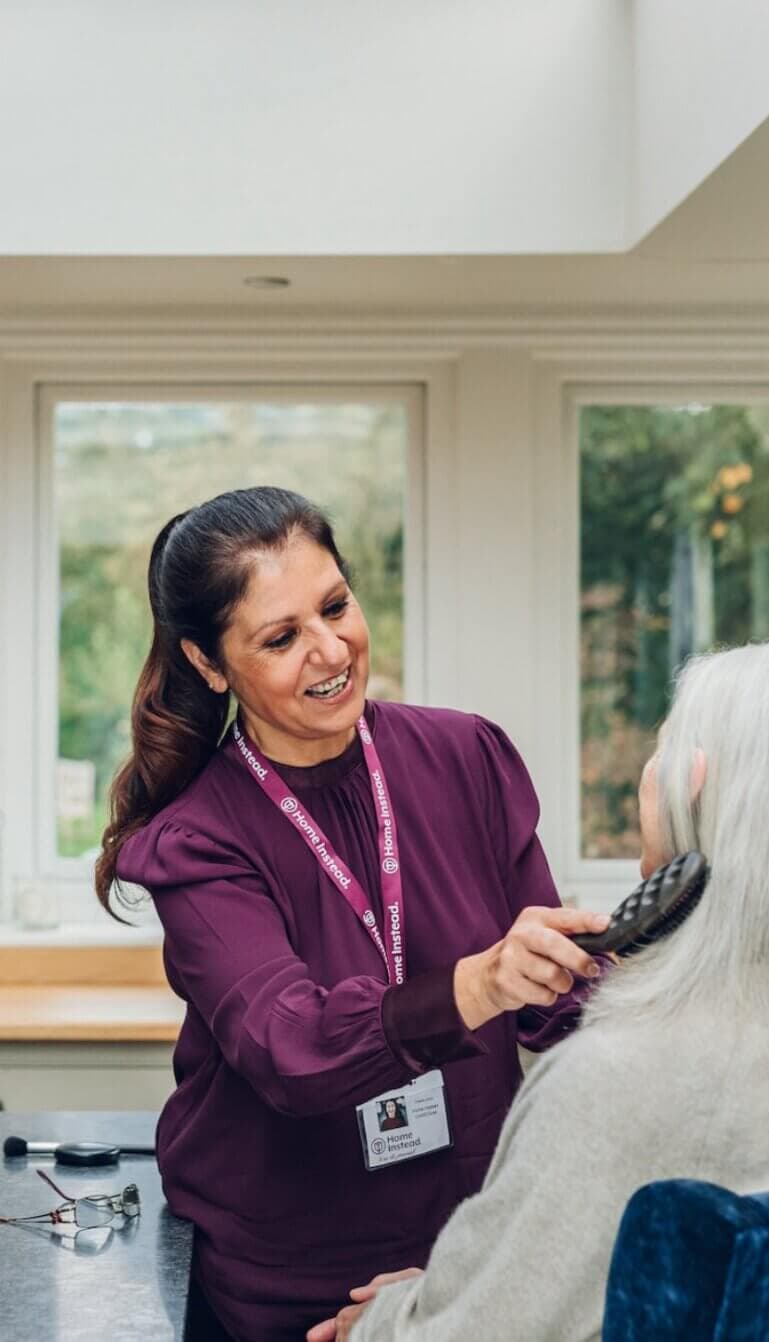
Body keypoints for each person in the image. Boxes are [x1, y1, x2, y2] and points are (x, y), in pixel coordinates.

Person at [309, 641, 769, 1342]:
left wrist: (380, 1322)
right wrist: (447, 1290)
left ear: (693, 785)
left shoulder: (615, 1082)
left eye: (661, 749)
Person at [95, 486, 610, 1342]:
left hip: (462, 1264)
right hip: (286, 1286)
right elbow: (289, 1048)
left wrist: (635, 966)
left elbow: (555, 1003)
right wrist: (478, 984)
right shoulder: (197, 839)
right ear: (210, 664)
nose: (330, 649)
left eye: (336, 606)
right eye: (281, 637)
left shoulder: (466, 757)